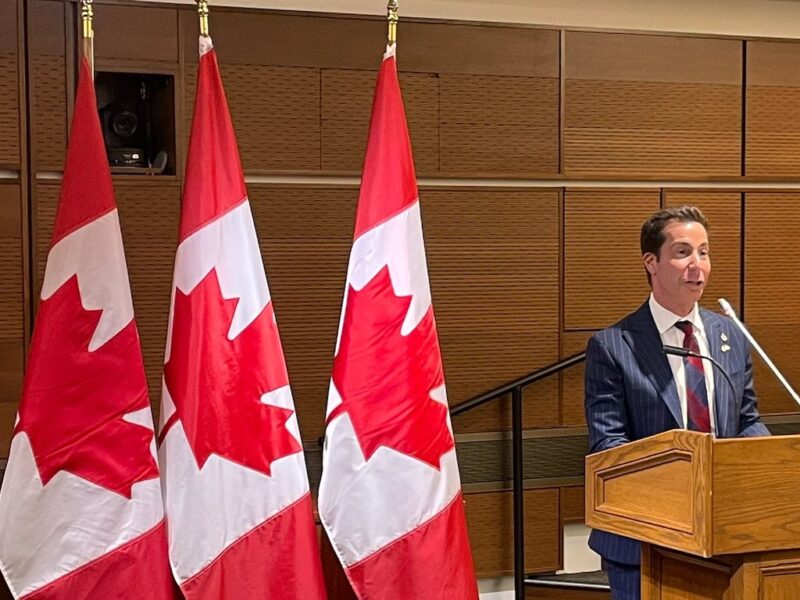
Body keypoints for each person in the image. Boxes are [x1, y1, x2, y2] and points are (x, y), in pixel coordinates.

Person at [583, 205, 770, 600]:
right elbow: (609, 447)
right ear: (651, 262)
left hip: (725, 534)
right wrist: (680, 484)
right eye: (683, 252)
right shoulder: (614, 346)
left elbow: (746, 417)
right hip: (646, 539)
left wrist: (767, 459)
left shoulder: (730, 335)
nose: (697, 265)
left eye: (704, 252)